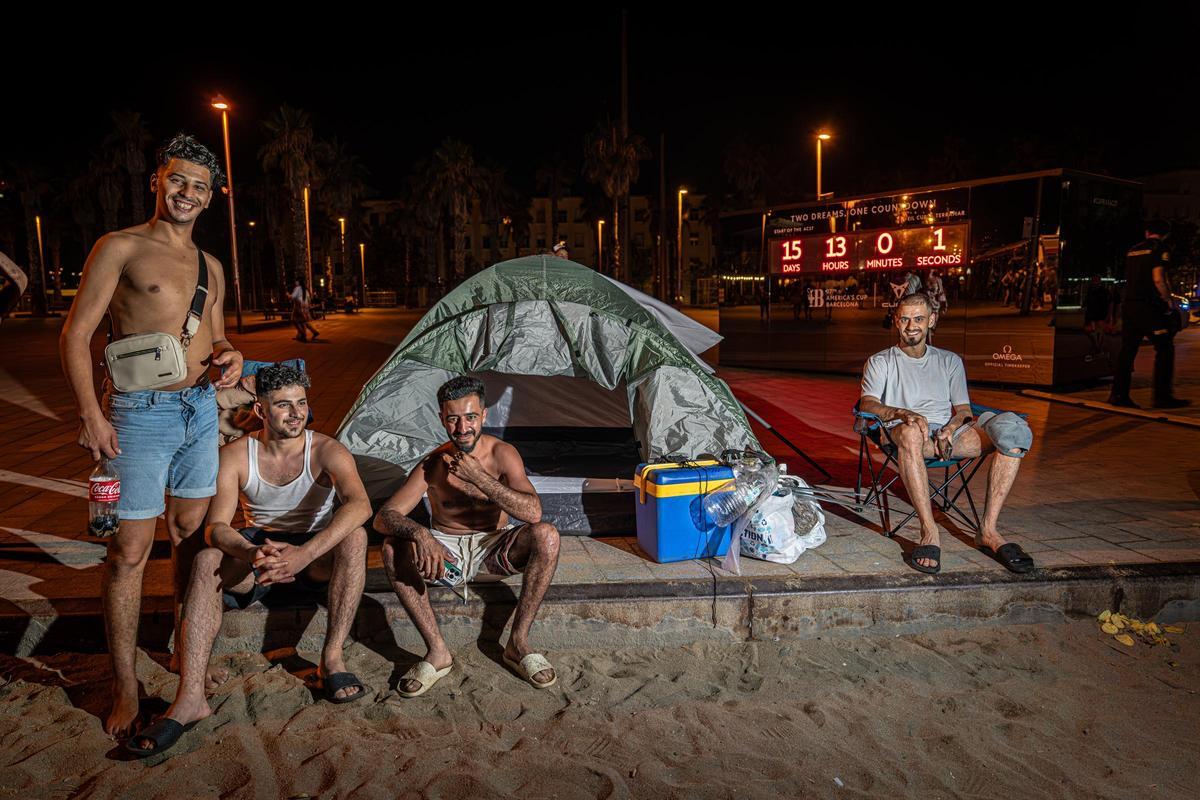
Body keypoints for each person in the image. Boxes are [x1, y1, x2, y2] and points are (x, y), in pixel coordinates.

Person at [59, 134, 244, 738]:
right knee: (130, 552)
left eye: (199, 186)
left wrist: (228, 355)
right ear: (157, 182)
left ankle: (182, 658)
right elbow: (76, 334)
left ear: (212, 197)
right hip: (138, 415)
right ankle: (125, 684)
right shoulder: (120, 247)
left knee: (191, 538)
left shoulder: (210, 265)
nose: (187, 193)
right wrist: (92, 414)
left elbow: (213, 336)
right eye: (177, 180)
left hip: (198, 412)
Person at [125, 364, 370, 758]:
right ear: (260, 411)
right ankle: (190, 698)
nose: (296, 413)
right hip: (259, 552)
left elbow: (360, 505)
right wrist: (253, 552)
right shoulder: (237, 455)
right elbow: (217, 527)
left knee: (355, 537)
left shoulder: (326, 450)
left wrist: (304, 553)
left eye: (302, 403)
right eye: (283, 405)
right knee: (207, 559)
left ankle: (332, 657)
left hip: (311, 555)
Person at [374, 376, 561, 697]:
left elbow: (533, 514)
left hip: (494, 551)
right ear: (441, 419)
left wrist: (479, 477)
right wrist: (422, 534)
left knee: (547, 535)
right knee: (393, 547)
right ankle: (437, 652)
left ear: (484, 415)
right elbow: (384, 517)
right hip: (446, 559)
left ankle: (518, 643)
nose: (462, 428)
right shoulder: (433, 463)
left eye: (471, 417)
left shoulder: (503, 454)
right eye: (453, 419)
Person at [859, 292, 1035, 575]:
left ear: (932, 320)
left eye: (918, 318)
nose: (911, 325)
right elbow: (868, 403)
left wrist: (951, 430)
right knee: (910, 433)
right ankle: (929, 532)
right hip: (906, 437)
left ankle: (988, 531)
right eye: (904, 319)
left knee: (1012, 432)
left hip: (948, 438)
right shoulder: (881, 362)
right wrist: (904, 413)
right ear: (896, 321)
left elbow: (964, 409)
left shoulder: (950, 361)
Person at [1109, 220, 1189, 409]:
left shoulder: (1133, 250)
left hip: (1130, 305)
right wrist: (1169, 302)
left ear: (1147, 232)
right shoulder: (1160, 249)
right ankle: (1162, 397)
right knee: (1165, 349)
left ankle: (1118, 394)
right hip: (1149, 307)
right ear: (1166, 234)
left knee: (1127, 350)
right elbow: (1158, 278)